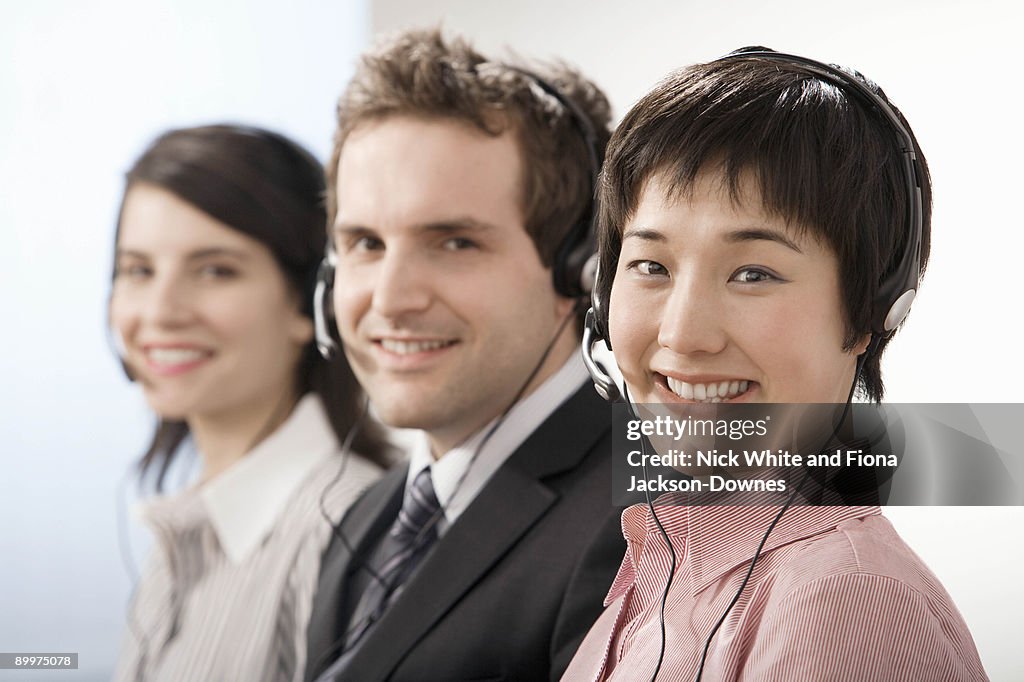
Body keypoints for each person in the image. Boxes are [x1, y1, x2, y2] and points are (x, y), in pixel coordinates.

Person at [564, 49, 988, 680]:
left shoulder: (850, 605)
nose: (683, 334)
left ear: (874, 310)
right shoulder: (659, 575)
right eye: (651, 266)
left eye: (753, 273)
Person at [304, 29, 625, 681]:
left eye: (453, 243)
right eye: (366, 243)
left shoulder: (641, 523)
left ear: (580, 270)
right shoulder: (370, 515)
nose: (390, 300)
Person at [109, 124, 390, 682]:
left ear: (310, 301)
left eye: (215, 270)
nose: (160, 312)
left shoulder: (344, 534)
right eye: (138, 270)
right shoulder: (186, 531)